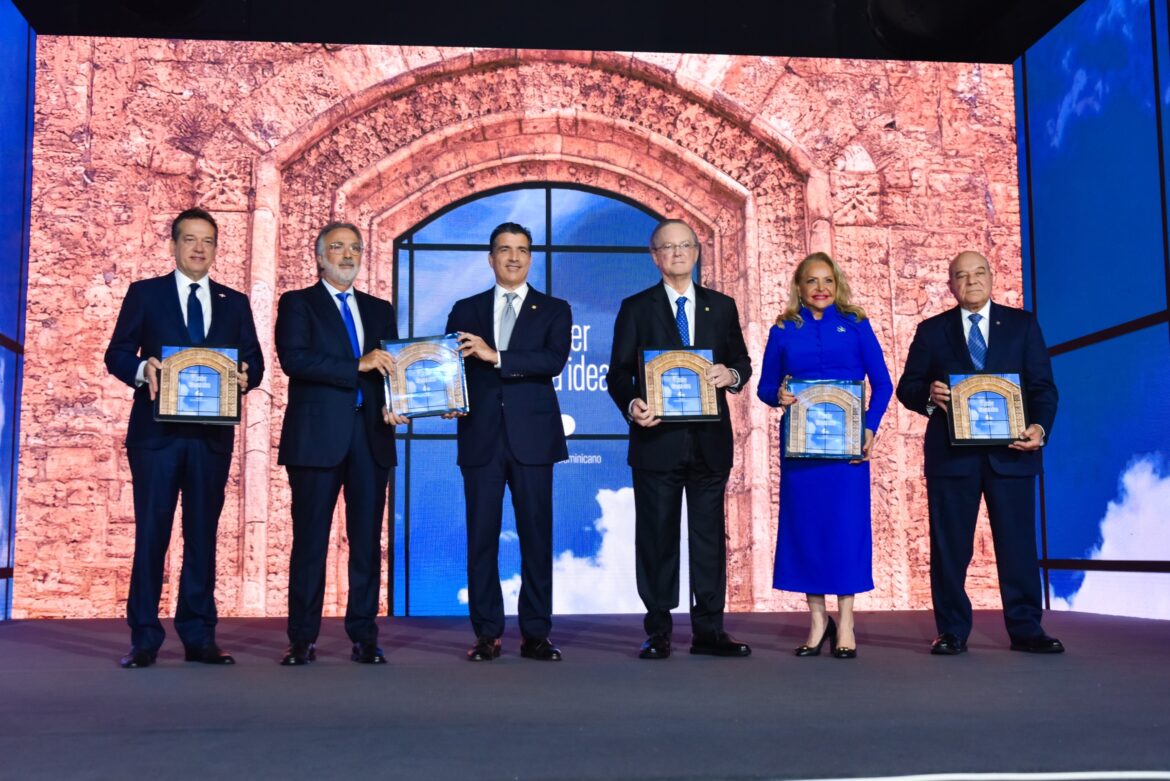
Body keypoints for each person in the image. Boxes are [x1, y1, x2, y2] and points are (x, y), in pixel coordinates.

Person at [105, 207, 264, 668]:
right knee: (151, 535)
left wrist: (246, 375)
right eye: (190, 239)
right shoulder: (145, 294)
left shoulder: (234, 302)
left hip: (210, 439)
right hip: (156, 437)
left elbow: (254, 361)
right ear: (173, 245)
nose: (199, 248)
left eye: (208, 241)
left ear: (216, 249)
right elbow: (117, 353)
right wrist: (143, 369)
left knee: (202, 537)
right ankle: (144, 639)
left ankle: (199, 636)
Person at [896, 251, 1062, 655]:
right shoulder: (931, 331)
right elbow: (907, 387)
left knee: (1018, 546)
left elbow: (1042, 387)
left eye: (978, 272)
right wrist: (929, 396)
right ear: (950, 285)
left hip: (1013, 454)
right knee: (950, 549)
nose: (971, 281)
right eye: (961, 275)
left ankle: (1027, 629)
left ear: (992, 276)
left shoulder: (1023, 325)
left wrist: (1040, 428)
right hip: (952, 459)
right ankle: (952, 631)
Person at [606, 218, 753, 660]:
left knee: (708, 540)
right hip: (656, 443)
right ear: (655, 257)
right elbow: (618, 374)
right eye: (667, 247)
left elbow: (741, 362)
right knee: (657, 539)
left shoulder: (721, 307)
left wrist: (731, 375)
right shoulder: (636, 308)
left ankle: (709, 630)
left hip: (710, 443)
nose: (677, 253)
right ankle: (658, 631)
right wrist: (633, 403)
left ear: (696, 251)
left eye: (685, 245)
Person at [274, 221, 407, 666]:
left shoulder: (379, 309)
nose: (348, 255)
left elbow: (390, 368)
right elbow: (295, 360)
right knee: (310, 541)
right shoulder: (297, 303)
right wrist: (357, 364)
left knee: (367, 543)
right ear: (319, 256)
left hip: (371, 437)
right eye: (338, 247)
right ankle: (301, 638)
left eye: (355, 248)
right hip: (315, 440)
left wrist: (395, 403)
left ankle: (364, 636)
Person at [444, 222, 572, 662]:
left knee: (536, 536)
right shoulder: (465, 309)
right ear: (491, 257)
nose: (513, 257)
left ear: (530, 258)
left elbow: (552, 360)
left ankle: (536, 633)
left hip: (533, 440)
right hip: (480, 437)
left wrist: (495, 355)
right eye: (504, 249)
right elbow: (450, 368)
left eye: (521, 250)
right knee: (481, 537)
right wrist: (448, 398)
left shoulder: (554, 309)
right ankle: (487, 633)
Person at [755, 252, 891, 659]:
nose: (820, 288)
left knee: (845, 531)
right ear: (799, 287)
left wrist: (869, 429)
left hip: (847, 451)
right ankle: (818, 622)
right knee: (807, 532)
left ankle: (846, 622)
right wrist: (778, 395)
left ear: (837, 284)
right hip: (802, 450)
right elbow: (764, 388)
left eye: (827, 280)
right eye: (812, 281)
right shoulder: (783, 329)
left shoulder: (857, 324)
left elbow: (883, 384)